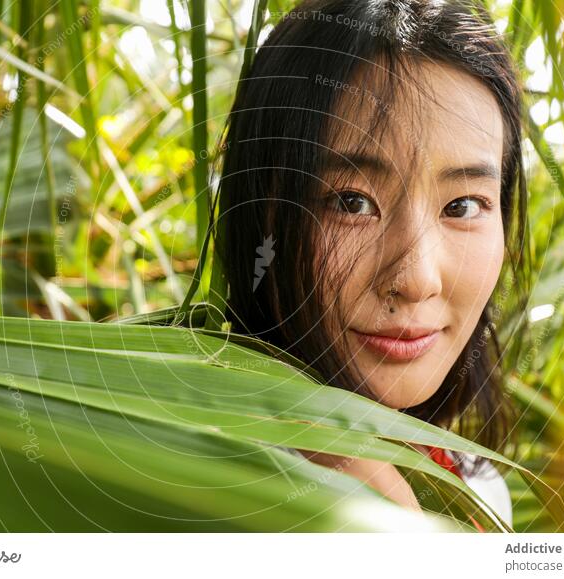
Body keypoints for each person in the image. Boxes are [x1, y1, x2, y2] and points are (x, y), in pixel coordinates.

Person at [213, 0, 528, 528]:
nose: (417, 279)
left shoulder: (474, 493)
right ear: (262, 211)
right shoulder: (171, 482)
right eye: (351, 202)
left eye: (463, 205)